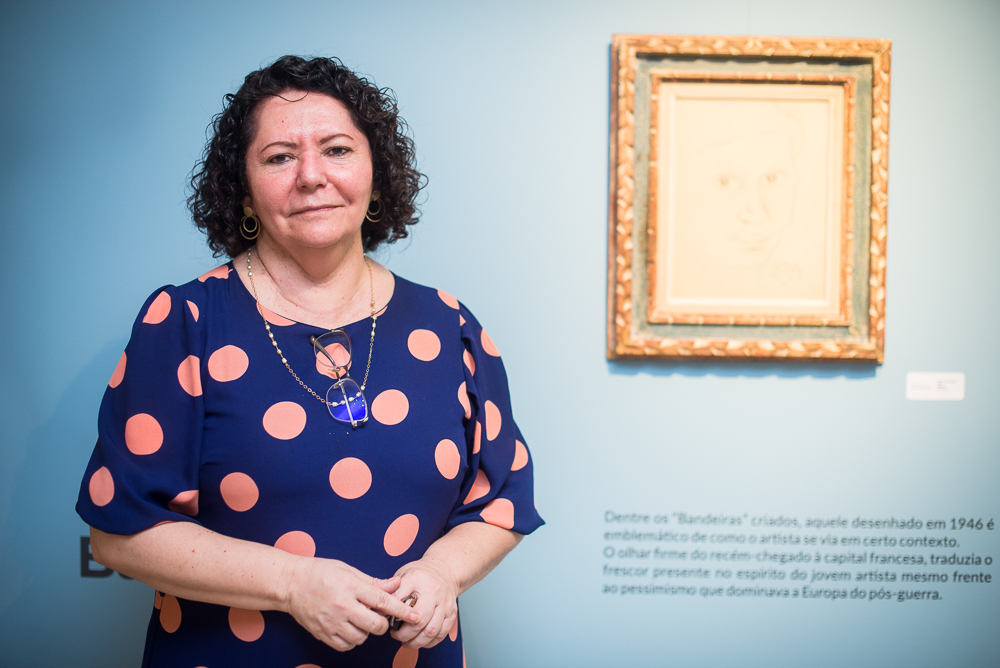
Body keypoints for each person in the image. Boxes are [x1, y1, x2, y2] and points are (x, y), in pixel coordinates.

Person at [76, 55, 542, 667]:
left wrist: (443, 573)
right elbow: (119, 534)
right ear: (243, 190)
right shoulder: (185, 322)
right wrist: (292, 584)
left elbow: (502, 499)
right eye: (279, 157)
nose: (312, 176)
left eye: (337, 150)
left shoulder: (449, 325)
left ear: (376, 173)